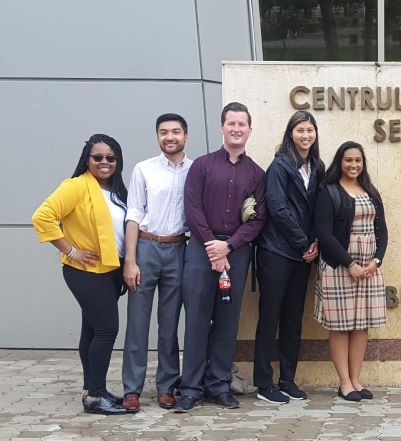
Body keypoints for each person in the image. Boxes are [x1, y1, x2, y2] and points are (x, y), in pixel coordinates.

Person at [174, 102, 267, 412]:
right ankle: (191, 388)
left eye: (242, 124)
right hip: (201, 251)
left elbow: (258, 219)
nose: (236, 129)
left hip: (236, 254)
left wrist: (228, 246)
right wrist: (212, 245)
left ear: (249, 130)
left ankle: (219, 385)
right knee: (197, 320)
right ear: (222, 127)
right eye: (231, 123)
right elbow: (192, 208)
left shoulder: (257, 174)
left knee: (228, 322)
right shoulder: (201, 166)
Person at [32, 134, 129, 415]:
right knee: (107, 329)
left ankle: (93, 388)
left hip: (111, 269)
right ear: (87, 159)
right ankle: (95, 397)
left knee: (92, 330)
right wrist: (71, 251)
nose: (104, 162)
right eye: (97, 157)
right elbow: (42, 217)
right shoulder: (75, 186)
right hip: (85, 271)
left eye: (110, 157)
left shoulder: (117, 190)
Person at [120, 113, 193, 412]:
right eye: (163, 132)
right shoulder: (144, 169)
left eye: (175, 131)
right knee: (137, 321)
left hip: (178, 249)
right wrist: (130, 260)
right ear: (157, 137)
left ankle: (166, 386)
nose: (169, 137)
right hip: (146, 247)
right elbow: (134, 214)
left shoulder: (196, 170)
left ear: (186, 136)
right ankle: (132, 389)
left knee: (169, 323)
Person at [253, 111, 326, 404]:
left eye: (310, 130)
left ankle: (287, 380)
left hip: (302, 255)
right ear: (290, 134)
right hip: (277, 252)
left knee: (293, 318)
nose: (305, 135)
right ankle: (263, 383)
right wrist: (303, 242)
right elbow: (278, 208)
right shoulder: (280, 166)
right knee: (269, 317)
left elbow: (319, 208)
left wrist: (315, 241)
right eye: (300, 130)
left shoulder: (317, 166)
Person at [314, 141, 388, 402]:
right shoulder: (328, 191)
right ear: (340, 162)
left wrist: (376, 261)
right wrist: (350, 264)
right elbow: (324, 233)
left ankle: (356, 380)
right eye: (348, 160)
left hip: (368, 267)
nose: (353, 165)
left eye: (358, 160)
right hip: (339, 266)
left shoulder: (370, 191)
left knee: (361, 325)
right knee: (340, 326)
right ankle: (344, 383)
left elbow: (382, 230)